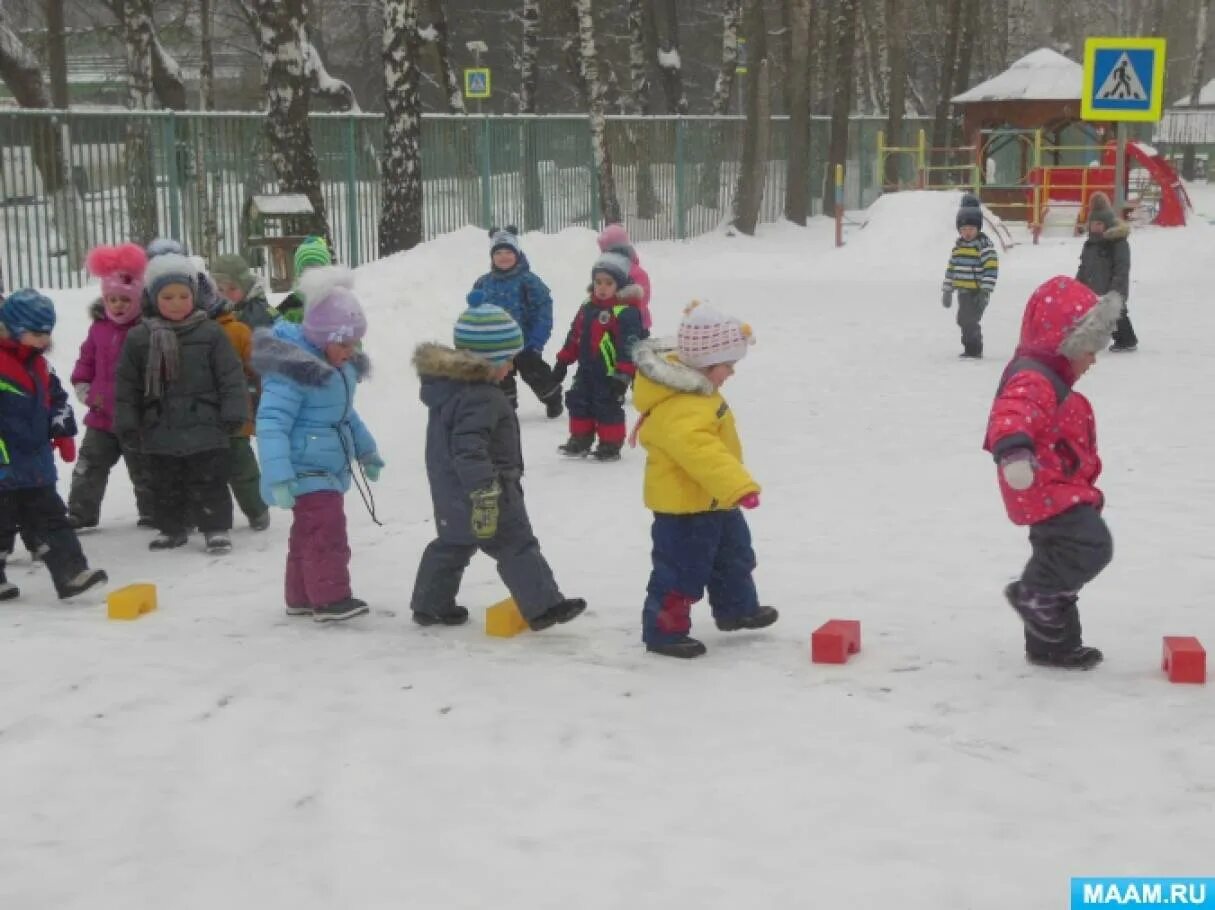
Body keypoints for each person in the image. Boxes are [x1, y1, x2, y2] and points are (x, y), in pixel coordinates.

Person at [409, 301, 585, 631]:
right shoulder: (480, 397)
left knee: (453, 543)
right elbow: (469, 450)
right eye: (507, 360)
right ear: (484, 363)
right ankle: (544, 606)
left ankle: (430, 605)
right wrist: (485, 490)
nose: (512, 368)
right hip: (489, 491)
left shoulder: (449, 389)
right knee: (516, 543)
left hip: (451, 488)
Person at [984, 276, 1122, 670]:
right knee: (1090, 546)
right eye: (1088, 350)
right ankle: (1033, 595)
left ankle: (1052, 646)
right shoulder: (1035, 377)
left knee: (1057, 564)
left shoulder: (1052, 377)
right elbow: (1011, 414)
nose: (1092, 360)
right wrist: (1015, 454)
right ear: (1066, 342)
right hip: (1042, 484)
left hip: (1055, 486)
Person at [631, 302, 777, 658]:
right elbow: (702, 453)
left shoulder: (696, 392)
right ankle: (664, 632)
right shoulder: (682, 406)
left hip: (714, 501)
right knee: (680, 572)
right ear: (707, 365)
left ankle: (736, 609)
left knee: (734, 557)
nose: (731, 373)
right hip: (684, 508)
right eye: (728, 366)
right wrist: (738, 486)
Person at [253, 266, 384, 622]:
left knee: (307, 534)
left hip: (326, 465)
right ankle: (329, 598)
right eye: (344, 343)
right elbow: (271, 423)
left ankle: (300, 596)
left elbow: (344, 417)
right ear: (321, 335)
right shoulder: (293, 372)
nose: (350, 350)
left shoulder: (338, 369)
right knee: (326, 532)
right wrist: (278, 475)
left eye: (355, 343)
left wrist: (366, 451)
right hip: (305, 468)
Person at [114, 251, 248, 553]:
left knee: (210, 480)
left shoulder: (211, 333)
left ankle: (215, 528)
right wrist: (127, 420)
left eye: (183, 296)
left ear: (195, 296)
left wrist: (233, 411)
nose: (176, 303)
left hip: (206, 422)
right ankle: (171, 527)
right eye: (168, 297)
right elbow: (127, 385)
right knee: (164, 481)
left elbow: (230, 376)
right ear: (152, 299)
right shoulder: (139, 338)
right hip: (159, 424)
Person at [0, 290, 108, 601]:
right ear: (14, 330)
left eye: (47, 333)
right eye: (36, 333)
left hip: (34, 463)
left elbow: (56, 399)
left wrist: (62, 429)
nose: (44, 340)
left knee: (51, 518)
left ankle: (71, 573)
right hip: (5, 464)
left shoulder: (38, 365)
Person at [68, 243, 155, 530]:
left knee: (143, 468)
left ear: (138, 301)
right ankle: (81, 513)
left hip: (137, 418)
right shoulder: (99, 329)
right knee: (89, 467)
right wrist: (86, 391)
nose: (118, 305)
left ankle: (153, 512)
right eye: (112, 299)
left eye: (125, 300)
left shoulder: (146, 331)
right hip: (101, 415)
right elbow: (85, 363)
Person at [552, 251, 645, 462]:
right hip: (586, 368)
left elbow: (629, 346)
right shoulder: (587, 307)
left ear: (619, 285)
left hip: (610, 372)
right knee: (578, 400)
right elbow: (575, 335)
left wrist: (624, 375)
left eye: (608, 283)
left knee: (607, 405)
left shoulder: (625, 312)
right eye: (598, 282)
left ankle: (610, 443)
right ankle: (580, 438)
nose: (602, 287)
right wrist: (563, 360)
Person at [471, 226, 563, 417]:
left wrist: (537, 340)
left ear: (517, 254)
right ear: (492, 257)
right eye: (498, 253)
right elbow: (476, 312)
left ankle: (552, 397)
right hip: (496, 344)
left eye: (508, 252)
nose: (503, 257)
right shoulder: (483, 282)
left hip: (525, 341)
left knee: (535, 374)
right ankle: (506, 408)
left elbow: (543, 309)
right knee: (499, 378)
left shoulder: (528, 281)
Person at [203, 283, 270, 531]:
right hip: (200, 413)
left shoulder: (237, 330)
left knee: (240, 463)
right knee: (204, 469)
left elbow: (256, 367)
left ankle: (256, 508)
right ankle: (203, 516)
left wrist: (257, 394)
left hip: (234, 408)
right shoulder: (186, 333)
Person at [941, 193, 999, 358]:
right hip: (963, 292)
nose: (967, 233)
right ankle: (969, 347)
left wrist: (984, 291)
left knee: (969, 320)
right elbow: (951, 269)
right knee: (963, 319)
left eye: (971, 229)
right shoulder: (958, 247)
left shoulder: (983, 246)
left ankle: (974, 349)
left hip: (977, 292)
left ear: (978, 228)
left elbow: (991, 269)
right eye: (963, 229)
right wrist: (947, 290)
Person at [1076, 191, 1135, 352]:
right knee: (1097, 314)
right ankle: (1092, 340)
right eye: (1093, 224)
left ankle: (1127, 340)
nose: (1096, 227)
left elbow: (1122, 266)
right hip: (1093, 285)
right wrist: (1078, 282)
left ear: (1107, 225)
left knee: (1117, 313)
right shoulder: (1090, 244)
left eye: (1100, 224)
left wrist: (1116, 287)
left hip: (1113, 285)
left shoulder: (1117, 243)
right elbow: (1084, 265)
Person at [597, 223, 652, 333]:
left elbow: (642, 298)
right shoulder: (605, 271)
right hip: (611, 324)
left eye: (606, 252)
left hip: (635, 327)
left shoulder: (635, 273)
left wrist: (618, 298)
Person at [210, 253, 278, 329]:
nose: (226, 294)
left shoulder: (256, 313)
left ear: (245, 287)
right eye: (220, 289)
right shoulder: (219, 310)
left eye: (233, 288)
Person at [276, 236, 332, 324]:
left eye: (317, 269)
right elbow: (273, 318)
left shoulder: (335, 301)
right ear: (298, 274)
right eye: (306, 269)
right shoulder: (293, 302)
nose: (311, 275)